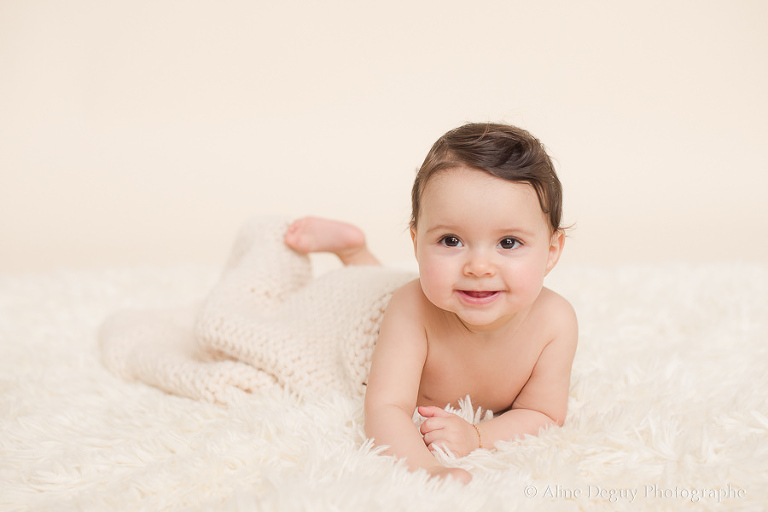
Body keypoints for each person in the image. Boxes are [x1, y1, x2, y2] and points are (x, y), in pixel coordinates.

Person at [284, 123, 578, 484]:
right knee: (320, 304)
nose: (479, 267)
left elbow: (544, 413)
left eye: (508, 243)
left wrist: (478, 436)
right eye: (451, 240)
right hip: (359, 306)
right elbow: (385, 406)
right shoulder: (411, 309)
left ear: (551, 251)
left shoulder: (554, 323)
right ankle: (354, 256)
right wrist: (427, 469)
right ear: (416, 242)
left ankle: (354, 251)